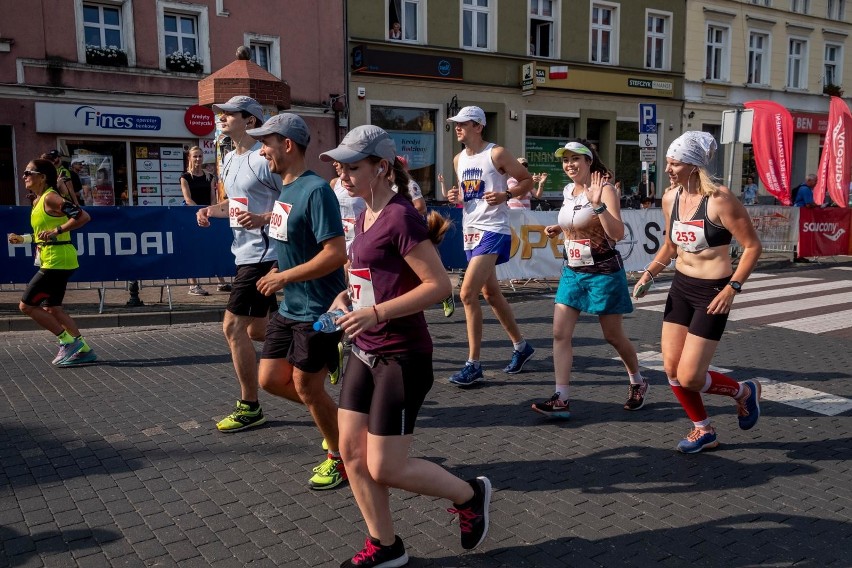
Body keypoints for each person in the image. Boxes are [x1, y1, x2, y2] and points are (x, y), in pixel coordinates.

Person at [320, 125, 492, 567]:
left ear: (380, 168)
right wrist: (348, 299)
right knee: (351, 456)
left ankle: (471, 494)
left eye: (352, 166)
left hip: (402, 356)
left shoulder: (399, 216)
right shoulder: (364, 212)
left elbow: (439, 286)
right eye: (339, 166)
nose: (342, 175)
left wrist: (376, 313)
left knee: (386, 467)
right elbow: (370, 277)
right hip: (363, 349)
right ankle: (386, 546)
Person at [632, 131, 763, 454]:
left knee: (691, 376)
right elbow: (670, 247)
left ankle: (743, 392)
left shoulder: (720, 199)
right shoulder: (670, 198)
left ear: (693, 166)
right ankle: (703, 429)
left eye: (674, 163)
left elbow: (751, 246)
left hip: (712, 292)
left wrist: (733, 287)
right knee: (671, 369)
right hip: (681, 288)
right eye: (667, 162)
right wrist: (649, 273)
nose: (668, 169)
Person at [246, 113, 350, 490]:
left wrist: (283, 277)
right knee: (270, 380)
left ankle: (339, 456)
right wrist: (276, 272)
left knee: (307, 387)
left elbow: (336, 253)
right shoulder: (285, 191)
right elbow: (292, 247)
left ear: (287, 145)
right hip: (289, 306)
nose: (262, 152)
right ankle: (339, 425)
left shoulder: (316, 190)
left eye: (266, 144)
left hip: (319, 309)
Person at [534, 141, 648, 418]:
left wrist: (598, 206)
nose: (569, 165)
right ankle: (561, 397)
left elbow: (617, 233)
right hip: (573, 271)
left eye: (575, 159)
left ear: (588, 162)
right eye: (565, 160)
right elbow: (575, 219)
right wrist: (559, 227)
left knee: (613, 336)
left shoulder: (605, 190)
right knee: (560, 333)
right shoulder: (568, 190)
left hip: (603, 273)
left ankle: (637, 381)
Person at [197, 96, 281, 433]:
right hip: (243, 252)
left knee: (232, 328)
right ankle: (318, 341)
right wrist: (209, 211)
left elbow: (294, 200)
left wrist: (263, 219)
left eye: (230, 114)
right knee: (256, 330)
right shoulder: (229, 158)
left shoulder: (264, 159)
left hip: (264, 255)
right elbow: (236, 201)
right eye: (221, 113)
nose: (221, 117)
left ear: (250, 121)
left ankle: (250, 406)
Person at [445, 106, 535, 386]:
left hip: (493, 229)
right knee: (491, 294)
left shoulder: (496, 153)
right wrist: (455, 196)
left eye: (463, 123)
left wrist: (506, 194)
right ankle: (522, 347)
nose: (458, 128)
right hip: (471, 229)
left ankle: (473, 364)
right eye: (456, 124)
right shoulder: (458, 159)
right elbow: (468, 195)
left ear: (478, 126)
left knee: (467, 294)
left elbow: (527, 181)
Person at [7, 159, 96, 366]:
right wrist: (23, 239)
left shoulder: (51, 198)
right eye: (24, 172)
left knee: (26, 306)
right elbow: (41, 234)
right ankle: (83, 349)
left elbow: (83, 216)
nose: (24, 176)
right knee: (53, 308)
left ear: (42, 177)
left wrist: (58, 231)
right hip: (53, 258)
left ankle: (67, 341)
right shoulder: (38, 200)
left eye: (29, 172)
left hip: (58, 260)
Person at [182, 146, 217, 296]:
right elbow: (188, 199)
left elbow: (213, 198)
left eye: (200, 156)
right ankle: (193, 285)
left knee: (212, 248)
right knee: (193, 251)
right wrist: (200, 212)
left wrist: (211, 211)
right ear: (189, 158)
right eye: (195, 156)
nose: (198, 159)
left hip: (209, 215)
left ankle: (221, 282)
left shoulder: (210, 176)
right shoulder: (185, 177)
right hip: (192, 216)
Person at [793, 174, 817, 262]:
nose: (816, 183)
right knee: (799, 236)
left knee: (797, 236)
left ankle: (797, 255)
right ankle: (798, 255)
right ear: (809, 181)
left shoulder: (803, 188)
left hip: (798, 214)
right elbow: (808, 204)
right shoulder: (806, 189)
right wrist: (817, 205)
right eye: (815, 181)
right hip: (801, 214)